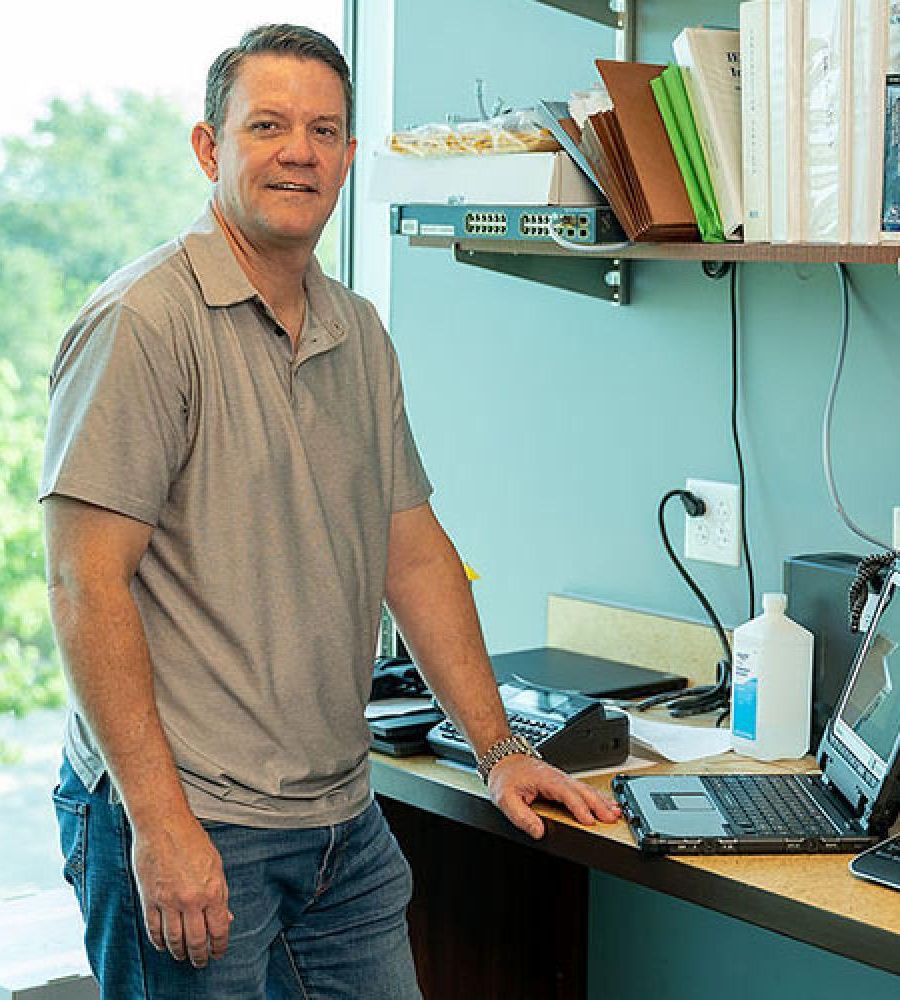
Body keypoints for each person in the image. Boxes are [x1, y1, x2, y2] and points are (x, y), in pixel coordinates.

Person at [41, 23, 621, 1000]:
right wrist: (159, 819)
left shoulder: (358, 331)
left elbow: (415, 554)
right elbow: (82, 581)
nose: (299, 151)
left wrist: (500, 750)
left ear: (349, 156)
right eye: (267, 124)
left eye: (324, 130)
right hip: (193, 817)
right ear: (207, 147)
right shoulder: (143, 323)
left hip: (338, 826)